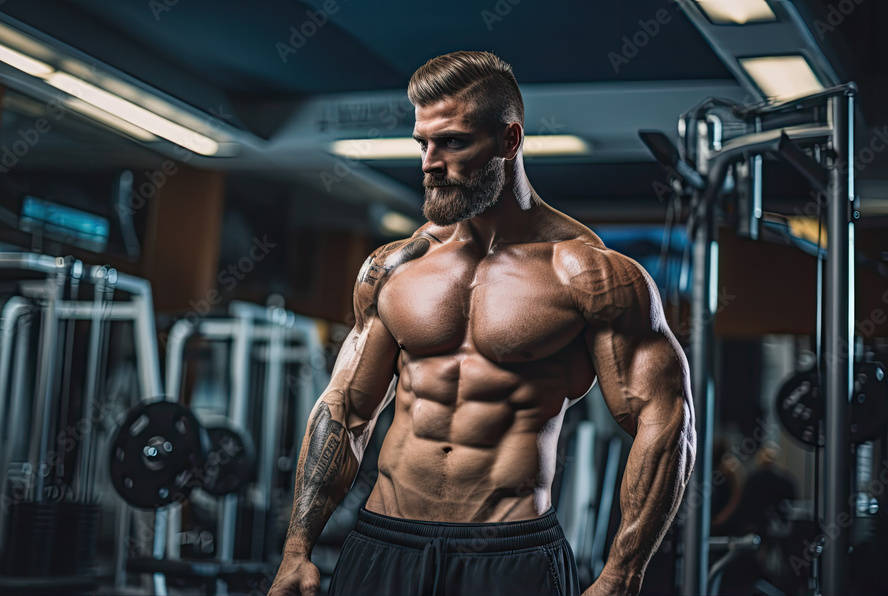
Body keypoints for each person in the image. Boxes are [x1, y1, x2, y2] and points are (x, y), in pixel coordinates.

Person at [268, 50, 695, 596]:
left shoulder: (588, 274)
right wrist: (297, 549)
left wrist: (622, 572)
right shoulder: (393, 267)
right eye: (423, 142)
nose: (428, 161)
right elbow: (346, 411)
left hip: (508, 554)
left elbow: (664, 422)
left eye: (452, 142)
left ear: (509, 142)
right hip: (384, 543)